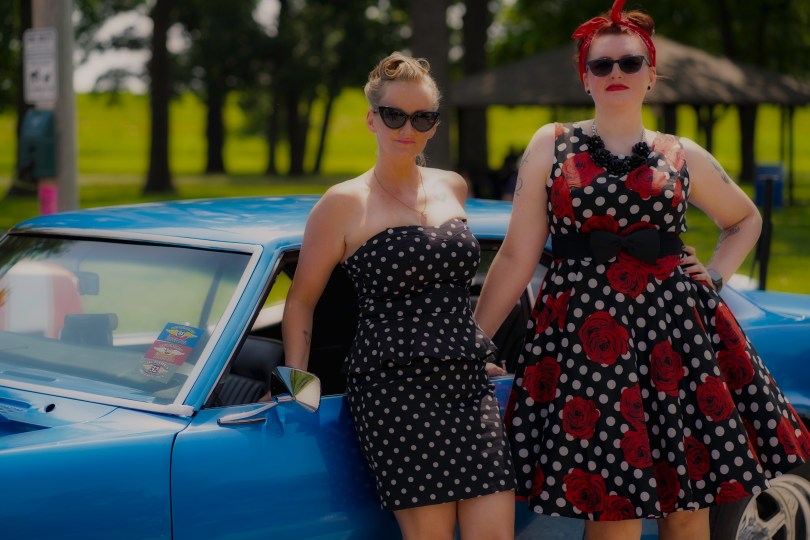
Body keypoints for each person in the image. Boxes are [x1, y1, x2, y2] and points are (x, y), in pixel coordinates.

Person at [474, 1, 809, 539]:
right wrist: (475, 343)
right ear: (585, 77)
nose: (617, 73)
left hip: (676, 340)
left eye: (630, 62)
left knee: (689, 507)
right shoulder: (551, 143)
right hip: (586, 343)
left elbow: (745, 219)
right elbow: (516, 255)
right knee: (615, 510)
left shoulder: (681, 153)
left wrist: (715, 275)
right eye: (602, 64)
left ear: (651, 75)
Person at [281, 52, 515, 540]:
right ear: (372, 119)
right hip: (394, 390)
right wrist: (297, 382)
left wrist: (476, 349)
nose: (408, 128)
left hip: (468, 384)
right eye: (394, 116)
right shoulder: (342, 203)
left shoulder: (453, 186)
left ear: (434, 125)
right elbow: (301, 300)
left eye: (422, 117)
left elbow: (450, 287)